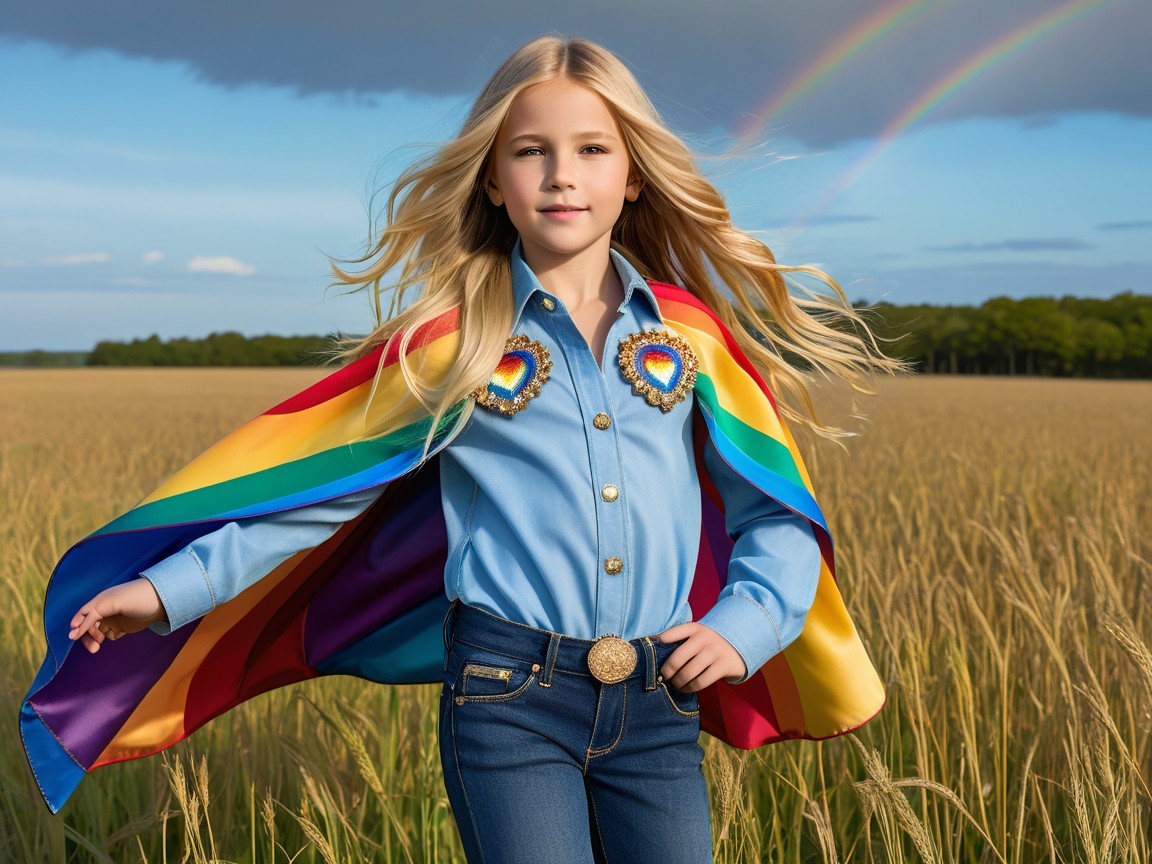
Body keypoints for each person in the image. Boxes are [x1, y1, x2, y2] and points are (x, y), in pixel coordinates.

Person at [25, 35, 905, 862]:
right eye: (531, 152)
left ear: (635, 176)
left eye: (594, 150)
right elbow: (316, 497)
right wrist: (162, 589)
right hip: (506, 698)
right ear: (490, 177)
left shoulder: (695, 341)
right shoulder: (454, 344)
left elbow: (776, 512)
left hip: (659, 699)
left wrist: (744, 625)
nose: (563, 177)